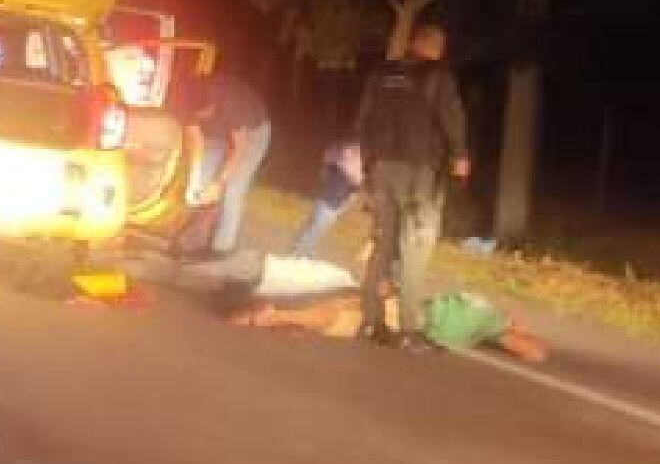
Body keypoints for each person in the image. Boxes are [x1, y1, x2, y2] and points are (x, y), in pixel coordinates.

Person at [355, 24, 470, 350]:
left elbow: (363, 120)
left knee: (383, 244)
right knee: (415, 248)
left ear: (411, 44)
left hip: (381, 168)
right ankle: (408, 329)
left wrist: (368, 165)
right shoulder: (437, 77)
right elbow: (452, 117)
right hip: (418, 171)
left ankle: (371, 322)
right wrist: (461, 154)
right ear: (437, 48)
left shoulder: (381, 74)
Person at [228, 281, 547, 363]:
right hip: (412, 316)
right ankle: (280, 316)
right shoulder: (489, 318)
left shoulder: (480, 307)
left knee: (347, 309)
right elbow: (535, 353)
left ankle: (282, 316)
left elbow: (533, 351)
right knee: (346, 315)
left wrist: (511, 329)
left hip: (412, 309)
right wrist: (510, 330)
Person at [175, 73, 272, 259]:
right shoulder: (185, 99)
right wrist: (195, 179)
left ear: (212, 103)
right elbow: (196, 141)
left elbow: (239, 148)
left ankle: (222, 247)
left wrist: (218, 183)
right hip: (218, 134)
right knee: (200, 186)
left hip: (253, 134)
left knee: (232, 189)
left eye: (204, 114)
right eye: (197, 116)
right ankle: (196, 236)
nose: (200, 118)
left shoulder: (232, 102)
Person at [289, 141, 364, 257]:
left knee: (314, 227)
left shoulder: (340, 164)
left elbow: (353, 193)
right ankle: (299, 252)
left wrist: (344, 207)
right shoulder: (344, 166)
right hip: (330, 202)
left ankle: (303, 250)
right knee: (315, 229)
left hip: (331, 202)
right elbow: (353, 192)